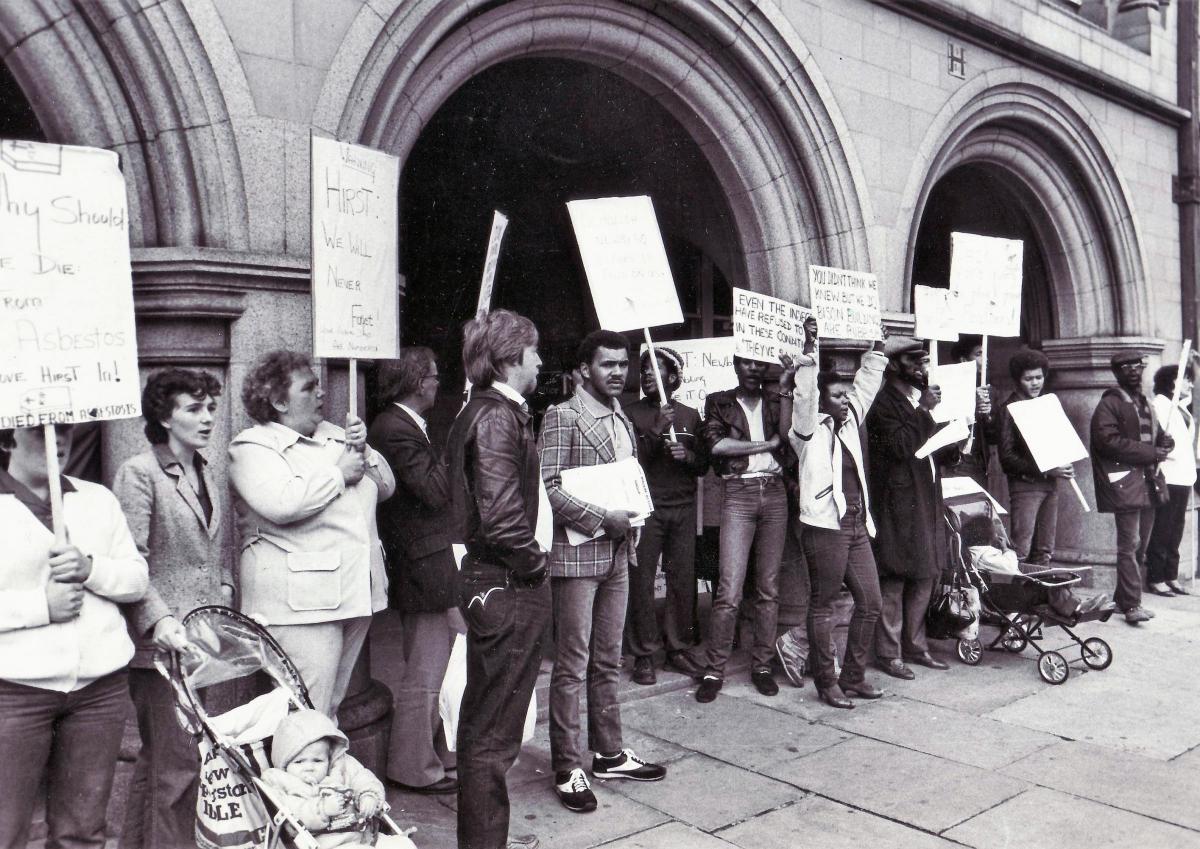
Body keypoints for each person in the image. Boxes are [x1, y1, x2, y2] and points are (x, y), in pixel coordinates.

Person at [0, 423, 148, 849]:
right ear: (6, 438)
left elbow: (136, 579)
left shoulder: (96, 499)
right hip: (15, 690)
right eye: (40, 432)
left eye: (63, 429)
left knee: (82, 833)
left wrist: (91, 568)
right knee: (7, 829)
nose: (58, 440)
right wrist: (41, 606)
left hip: (99, 689)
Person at [540, 330, 667, 813]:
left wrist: (632, 516)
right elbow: (547, 486)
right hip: (577, 556)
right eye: (606, 364)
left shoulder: (622, 416)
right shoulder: (562, 416)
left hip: (618, 554)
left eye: (622, 364)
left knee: (609, 658)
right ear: (583, 370)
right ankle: (566, 766)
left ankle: (609, 753)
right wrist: (599, 518)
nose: (617, 372)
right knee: (572, 663)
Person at [229, 350, 395, 716]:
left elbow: (386, 487)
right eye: (308, 388)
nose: (321, 393)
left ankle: (322, 755)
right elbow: (282, 503)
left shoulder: (335, 436)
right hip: (302, 606)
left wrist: (364, 450)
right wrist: (338, 474)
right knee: (308, 712)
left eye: (318, 385)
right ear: (279, 401)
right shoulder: (252, 447)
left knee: (327, 707)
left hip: (353, 592)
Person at [444, 309, 551, 849]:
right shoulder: (494, 417)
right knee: (492, 735)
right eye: (534, 352)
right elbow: (503, 520)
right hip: (507, 583)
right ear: (511, 359)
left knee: (485, 725)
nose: (540, 362)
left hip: (495, 581)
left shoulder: (488, 411)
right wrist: (536, 567)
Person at [114, 369, 232, 849]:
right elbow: (131, 560)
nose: (207, 418)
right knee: (179, 767)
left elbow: (217, 552)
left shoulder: (206, 471)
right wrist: (160, 619)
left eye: (210, 408)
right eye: (194, 409)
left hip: (201, 643)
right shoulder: (139, 472)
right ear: (164, 417)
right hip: (160, 649)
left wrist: (223, 598)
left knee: (161, 763)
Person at [368, 349, 458, 795]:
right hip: (421, 562)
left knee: (435, 667)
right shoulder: (396, 428)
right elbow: (434, 492)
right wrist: (455, 446)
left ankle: (434, 755)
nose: (438, 384)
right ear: (418, 382)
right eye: (434, 377)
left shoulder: (402, 425)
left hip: (428, 559)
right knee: (426, 670)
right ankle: (414, 767)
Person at [789, 318, 887, 709]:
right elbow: (805, 395)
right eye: (837, 395)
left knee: (871, 602)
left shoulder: (849, 424)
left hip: (856, 523)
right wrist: (809, 349)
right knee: (824, 604)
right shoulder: (806, 430)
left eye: (846, 395)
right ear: (822, 401)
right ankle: (826, 682)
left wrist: (877, 347)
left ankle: (853, 677)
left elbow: (867, 384)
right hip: (824, 527)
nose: (846, 399)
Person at [694, 353, 796, 703]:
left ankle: (762, 666)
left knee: (768, 587)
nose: (754, 368)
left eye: (759, 363)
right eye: (746, 362)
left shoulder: (776, 400)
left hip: (775, 492)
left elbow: (789, 435)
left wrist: (785, 388)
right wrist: (766, 445)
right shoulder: (719, 401)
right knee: (729, 588)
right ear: (736, 365)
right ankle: (714, 670)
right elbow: (717, 445)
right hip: (738, 492)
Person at [866, 337, 959, 679]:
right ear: (893, 365)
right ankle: (889, 653)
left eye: (922, 362)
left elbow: (934, 447)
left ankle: (916, 646)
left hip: (926, 497)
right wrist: (923, 411)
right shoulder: (882, 403)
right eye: (913, 362)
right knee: (895, 576)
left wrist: (956, 437)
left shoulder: (919, 400)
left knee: (925, 573)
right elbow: (900, 446)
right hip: (899, 502)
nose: (921, 368)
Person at [622, 346, 706, 685]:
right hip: (647, 509)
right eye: (643, 370)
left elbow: (703, 465)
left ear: (672, 377)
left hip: (683, 507)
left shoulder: (690, 415)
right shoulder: (630, 414)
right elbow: (629, 463)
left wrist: (688, 455)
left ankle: (677, 649)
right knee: (641, 582)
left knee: (682, 580)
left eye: (653, 369)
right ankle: (644, 654)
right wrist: (657, 429)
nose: (646, 375)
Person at [1090, 351, 1174, 624]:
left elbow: (1156, 438)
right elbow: (1107, 442)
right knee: (1129, 545)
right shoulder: (1110, 404)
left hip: (1149, 482)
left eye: (1137, 366)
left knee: (1139, 546)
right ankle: (1132, 606)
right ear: (1116, 372)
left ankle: (1122, 599)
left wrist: (1166, 443)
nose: (1133, 371)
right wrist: (1151, 452)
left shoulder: (1146, 403)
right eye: (1126, 367)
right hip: (1126, 483)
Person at [261, 708, 417, 848]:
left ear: (329, 758)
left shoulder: (340, 768)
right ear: (285, 764)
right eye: (299, 762)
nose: (309, 767)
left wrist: (368, 795)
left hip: (364, 836)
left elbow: (363, 778)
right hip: (328, 844)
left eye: (317, 760)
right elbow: (295, 813)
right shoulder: (283, 783)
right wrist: (322, 809)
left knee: (403, 845)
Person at [996, 350, 1076, 565]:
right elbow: (1007, 458)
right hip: (1025, 486)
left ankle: (1039, 587)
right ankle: (1016, 587)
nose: (1035, 383)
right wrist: (1048, 468)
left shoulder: (1046, 405)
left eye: (1039, 377)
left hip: (1050, 484)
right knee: (1021, 548)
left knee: (1044, 549)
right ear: (1017, 380)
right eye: (1028, 378)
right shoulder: (1009, 409)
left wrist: (1064, 460)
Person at [1146, 359, 1197, 596]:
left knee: (1176, 527)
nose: (1191, 385)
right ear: (1173, 382)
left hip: (1184, 475)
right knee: (1163, 526)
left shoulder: (1181, 407)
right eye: (1187, 380)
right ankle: (1156, 577)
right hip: (1168, 474)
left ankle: (1171, 575)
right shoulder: (1159, 405)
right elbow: (1160, 440)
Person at [948, 335, 996, 488]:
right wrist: (972, 402)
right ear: (964, 360)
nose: (985, 358)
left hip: (980, 462)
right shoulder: (951, 387)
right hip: (958, 460)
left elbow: (993, 436)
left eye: (985, 354)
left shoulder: (989, 391)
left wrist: (987, 416)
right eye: (979, 354)